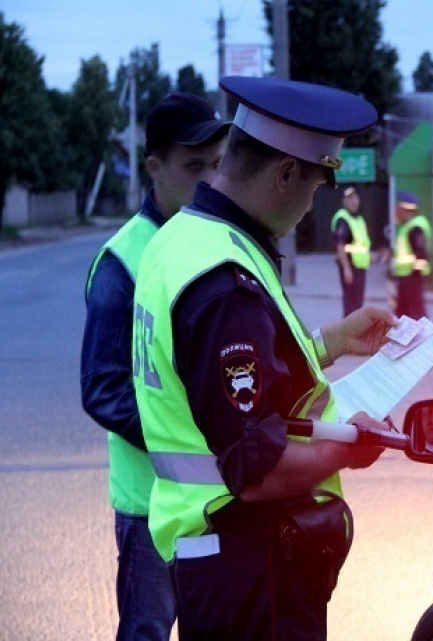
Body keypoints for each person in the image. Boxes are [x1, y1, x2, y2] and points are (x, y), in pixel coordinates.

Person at [131, 76, 398, 640]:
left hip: (220, 562)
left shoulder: (180, 239)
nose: (311, 205)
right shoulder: (224, 280)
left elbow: (219, 382)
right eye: (315, 186)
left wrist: (330, 342)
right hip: (254, 569)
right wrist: (348, 449)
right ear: (284, 174)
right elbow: (257, 470)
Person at [80, 92, 230, 640]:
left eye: (217, 164)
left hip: (212, 500)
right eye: (194, 167)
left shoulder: (211, 243)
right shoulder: (123, 262)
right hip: (150, 506)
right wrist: (190, 440)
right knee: (146, 632)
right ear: (154, 167)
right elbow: (101, 388)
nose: (209, 179)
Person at [390, 190, 432, 320]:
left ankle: (425, 340)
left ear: (405, 210)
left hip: (411, 278)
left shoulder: (415, 228)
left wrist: (414, 277)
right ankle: (406, 340)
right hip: (406, 278)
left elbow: (421, 256)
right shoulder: (408, 226)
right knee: (404, 314)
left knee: (415, 315)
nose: (396, 213)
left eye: (398, 209)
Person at [330, 185, 371, 316]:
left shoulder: (359, 219)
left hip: (360, 267)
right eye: (349, 199)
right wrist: (346, 268)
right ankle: (348, 333)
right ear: (343, 202)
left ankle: (356, 332)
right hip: (350, 267)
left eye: (355, 198)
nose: (353, 201)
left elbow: (362, 244)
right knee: (351, 305)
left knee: (358, 303)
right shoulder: (342, 219)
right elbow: (340, 245)